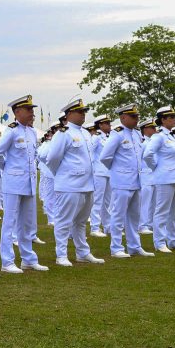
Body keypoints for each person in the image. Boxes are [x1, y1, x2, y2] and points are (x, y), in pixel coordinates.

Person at [44, 98, 104, 267]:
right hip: (69, 184)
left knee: (81, 221)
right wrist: (62, 175)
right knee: (64, 221)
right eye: (80, 112)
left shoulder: (85, 133)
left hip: (87, 184)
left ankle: (82, 252)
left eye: (84, 111)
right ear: (69, 114)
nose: (83, 115)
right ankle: (61, 254)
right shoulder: (63, 133)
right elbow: (53, 158)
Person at [0, 95, 47, 273]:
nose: (32, 113)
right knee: (10, 223)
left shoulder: (31, 132)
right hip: (14, 182)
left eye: (32, 109)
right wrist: (8, 170)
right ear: (17, 112)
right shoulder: (11, 131)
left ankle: (28, 258)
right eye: (28, 109)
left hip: (29, 183)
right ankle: (7, 261)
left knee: (28, 223)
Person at [98, 104, 154, 258]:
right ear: (123, 117)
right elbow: (105, 157)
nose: (137, 119)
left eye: (137, 116)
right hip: (121, 181)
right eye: (133, 116)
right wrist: (117, 171)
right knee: (118, 215)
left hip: (136, 181)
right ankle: (116, 248)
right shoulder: (117, 134)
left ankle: (134, 246)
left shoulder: (136, 134)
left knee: (134, 216)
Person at [141, 106, 175, 253]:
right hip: (164, 177)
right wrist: (156, 168)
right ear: (163, 120)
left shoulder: (172, 136)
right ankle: (160, 242)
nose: (174, 119)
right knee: (162, 211)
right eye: (171, 117)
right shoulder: (158, 136)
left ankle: (174, 240)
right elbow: (148, 155)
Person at [89, 115, 113, 237]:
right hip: (98, 172)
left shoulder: (110, 137)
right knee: (97, 200)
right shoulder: (96, 138)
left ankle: (108, 226)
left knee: (107, 202)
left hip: (108, 172)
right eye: (107, 123)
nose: (109, 125)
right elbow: (90, 154)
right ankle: (95, 227)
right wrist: (91, 170)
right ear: (100, 125)